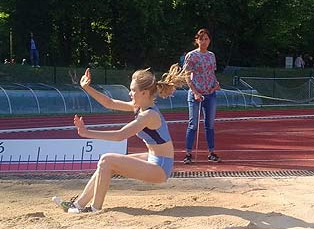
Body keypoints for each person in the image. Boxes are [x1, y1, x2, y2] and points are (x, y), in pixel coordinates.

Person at [52, 64, 187, 213]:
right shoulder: (139, 107)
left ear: (145, 93)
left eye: (133, 90)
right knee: (105, 165)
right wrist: (86, 87)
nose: (130, 93)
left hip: (160, 168)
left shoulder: (148, 115)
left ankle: (95, 208)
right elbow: (109, 103)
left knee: (106, 160)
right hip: (152, 158)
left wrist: (87, 132)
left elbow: (120, 136)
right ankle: (78, 205)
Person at [182, 28, 221, 164]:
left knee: (209, 125)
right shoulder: (191, 56)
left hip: (210, 94)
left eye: (206, 39)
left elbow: (211, 74)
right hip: (196, 95)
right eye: (201, 39)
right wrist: (195, 92)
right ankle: (188, 153)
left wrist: (216, 84)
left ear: (209, 40)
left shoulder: (211, 56)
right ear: (196, 40)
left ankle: (211, 152)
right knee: (193, 125)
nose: (204, 42)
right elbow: (187, 76)